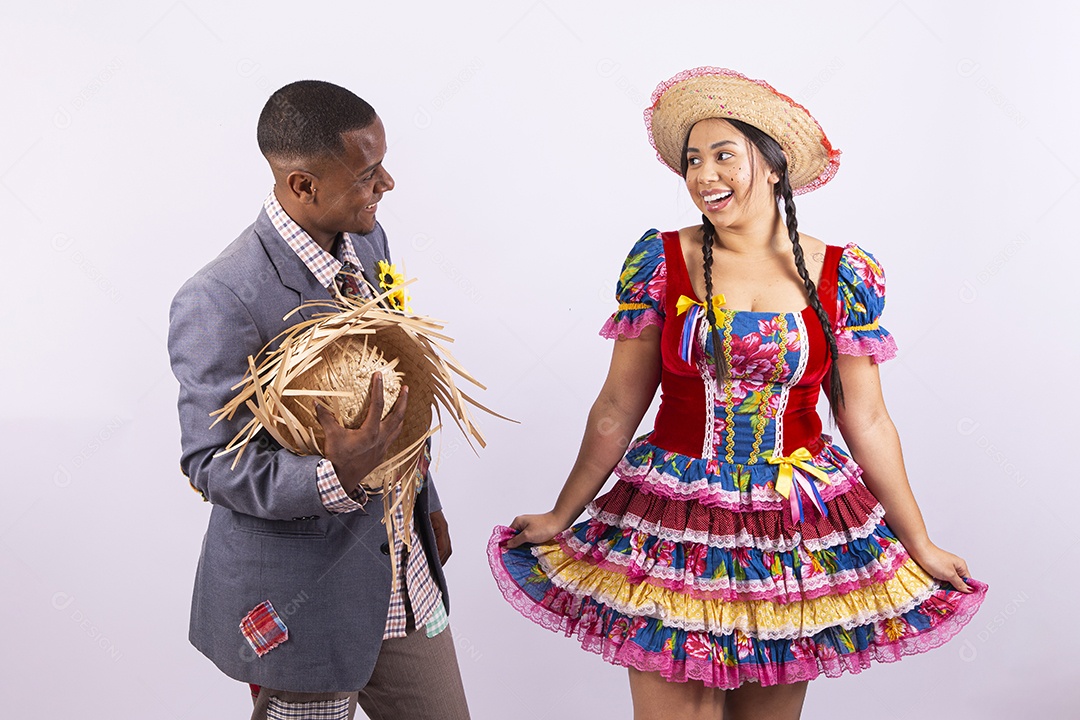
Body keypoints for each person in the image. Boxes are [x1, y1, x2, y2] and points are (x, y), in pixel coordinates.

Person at [489, 67, 987, 720]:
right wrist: (562, 514)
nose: (704, 175)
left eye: (724, 155)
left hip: (792, 530)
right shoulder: (661, 261)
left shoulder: (841, 275)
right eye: (693, 160)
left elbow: (866, 418)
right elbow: (617, 406)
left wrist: (919, 541)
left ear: (775, 167)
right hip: (676, 517)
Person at [168, 80, 470, 720]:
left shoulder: (369, 242)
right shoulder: (220, 296)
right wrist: (336, 475)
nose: (386, 183)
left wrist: (426, 502)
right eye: (366, 174)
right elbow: (210, 463)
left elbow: (394, 385)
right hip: (303, 602)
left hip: (406, 572)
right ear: (303, 185)